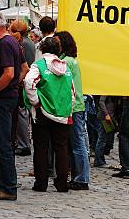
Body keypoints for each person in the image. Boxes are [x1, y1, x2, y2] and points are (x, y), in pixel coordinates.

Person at [0, 11, 29, 201]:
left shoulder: (6, 43)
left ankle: (8, 187)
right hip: (7, 97)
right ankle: (1, 184)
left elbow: (9, 73)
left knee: (2, 143)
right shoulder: (11, 43)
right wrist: (13, 87)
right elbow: (24, 68)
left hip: (2, 99)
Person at [24, 37, 75, 192]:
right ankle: (62, 183)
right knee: (62, 148)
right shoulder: (66, 68)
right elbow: (72, 91)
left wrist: (36, 102)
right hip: (62, 112)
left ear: (42, 49)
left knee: (41, 148)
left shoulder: (38, 66)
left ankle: (41, 183)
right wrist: (68, 108)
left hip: (43, 112)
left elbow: (28, 82)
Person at [55, 31, 90, 190]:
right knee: (75, 143)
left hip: (73, 107)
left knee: (77, 144)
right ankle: (78, 176)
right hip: (76, 106)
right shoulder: (70, 60)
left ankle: (82, 178)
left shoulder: (66, 62)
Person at [9, 20, 33, 157]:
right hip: (23, 80)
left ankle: (24, 143)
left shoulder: (23, 44)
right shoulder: (27, 42)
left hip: (21, 81)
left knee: (22, 113)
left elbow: (25, 65)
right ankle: (23, 142)